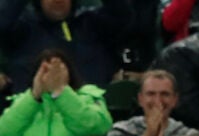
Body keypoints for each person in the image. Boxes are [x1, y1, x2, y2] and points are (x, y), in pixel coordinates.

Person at [0, 0, 131, 92]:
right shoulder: (22, 30)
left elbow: (123, 15)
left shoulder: (93, 25)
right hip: (39, 115)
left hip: (90, 113)